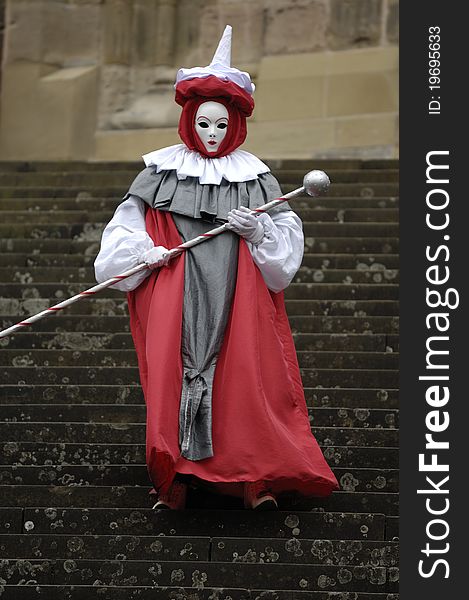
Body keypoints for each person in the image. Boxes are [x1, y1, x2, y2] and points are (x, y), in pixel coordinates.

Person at [94, 26, 339, 510]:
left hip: (237, 295)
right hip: (176, 295)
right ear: (188, 121)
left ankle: (252, 480)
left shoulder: (257, 177)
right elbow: (120, 236)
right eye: (203, 124)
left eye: (221, 126)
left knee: (243, 382)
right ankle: (176, 481)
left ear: (236, 126)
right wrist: (144, 252)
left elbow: (282, 258)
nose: (211, 135)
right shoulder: (159, 174)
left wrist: (258, 233)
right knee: (173, 379)